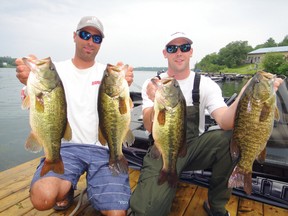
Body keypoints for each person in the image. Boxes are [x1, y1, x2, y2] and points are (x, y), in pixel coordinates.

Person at [129, 32, 283, 216]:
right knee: (148, 211)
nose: (179, 52)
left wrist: (246, 92)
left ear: (191, 52)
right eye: (172, 48)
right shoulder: (153, 84)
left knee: (228, 138)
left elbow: (225, 122)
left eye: (184, 47)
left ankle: (215, 205)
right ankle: (164, 183)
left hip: (193, 148)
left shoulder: (205, 84)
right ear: (165, 53)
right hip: (163, 151)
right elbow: (148, 125)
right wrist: (156, 102)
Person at [15, 16, 133, 216]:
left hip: (103, 149)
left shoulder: (107, 74)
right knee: (42, 198)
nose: (90, 41)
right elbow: (33, 99)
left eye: (96, 38)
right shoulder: (56, 71)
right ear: (74, 36)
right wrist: (27, 79)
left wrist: (125, 80)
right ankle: (67, 186)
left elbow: (121, 103)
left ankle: (98, 191)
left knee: (116, 213)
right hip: (66, 148)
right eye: (85, 35)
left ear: (101, 43)